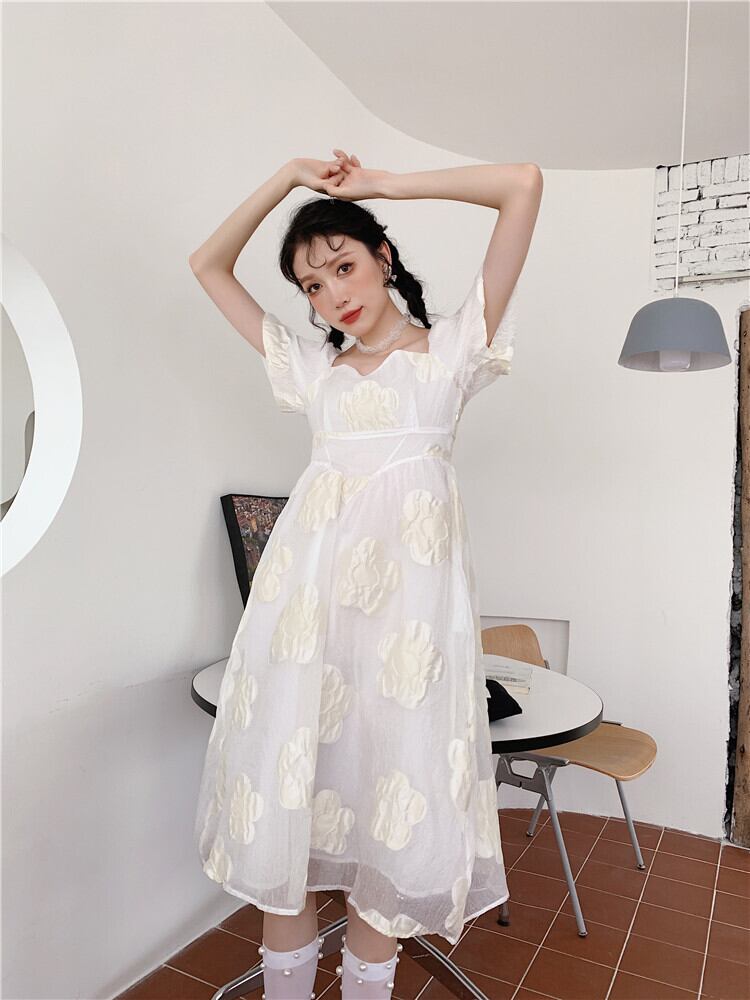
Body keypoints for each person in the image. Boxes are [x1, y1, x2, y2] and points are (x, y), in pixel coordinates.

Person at [188, 151, 543, 1000]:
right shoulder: (313, 373)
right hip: (304, 635)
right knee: (288, 843)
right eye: (311, 286)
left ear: (383, 256)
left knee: (388, 837)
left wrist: (380, 186)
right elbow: (207, 264)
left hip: (405, 646)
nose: (331, 295)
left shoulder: (452, 352)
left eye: (343, 267)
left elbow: (523, 185)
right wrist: (285, 177)